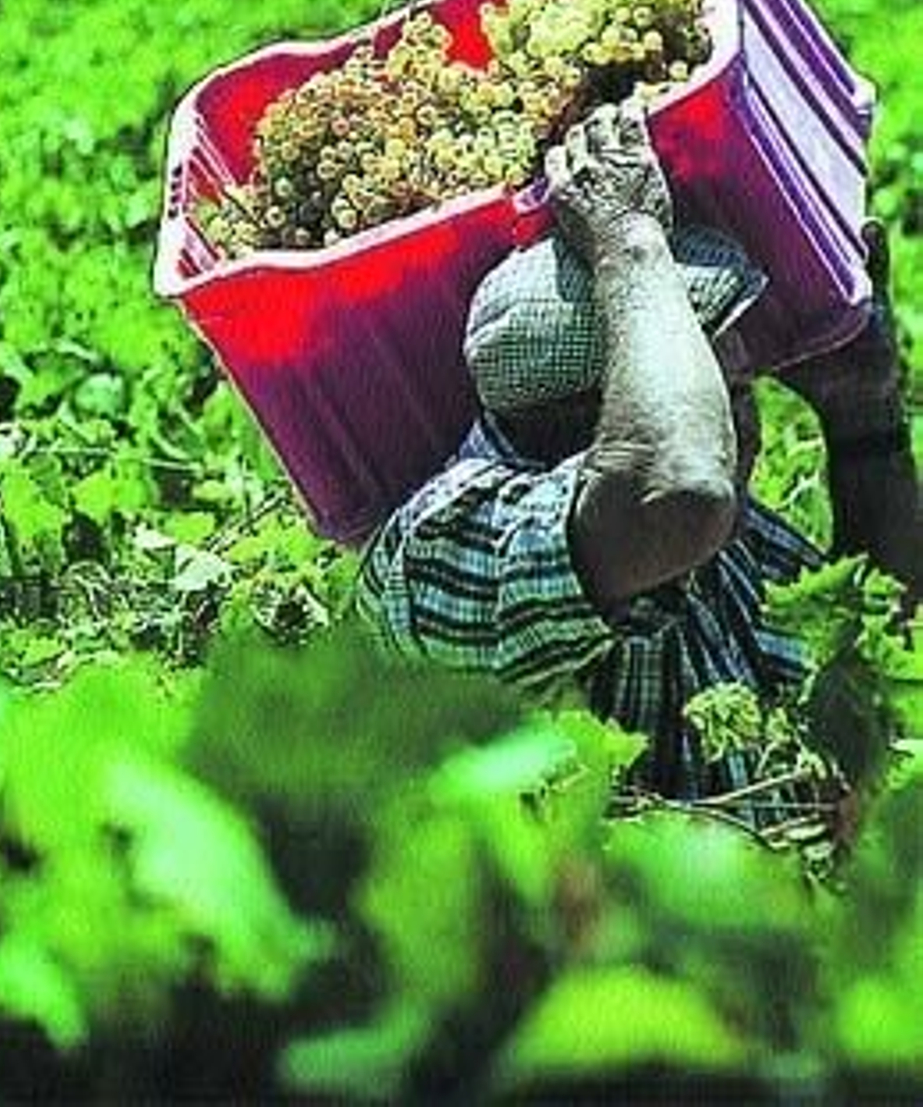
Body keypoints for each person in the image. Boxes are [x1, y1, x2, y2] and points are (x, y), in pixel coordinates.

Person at [357, 99, 919, 811]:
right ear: (596, 416)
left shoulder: (723, 545)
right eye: (727, 390)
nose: (740, 423)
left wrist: (862, 415)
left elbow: (878, 644)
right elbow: (680, 485)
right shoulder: (445, 546)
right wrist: (626, 239)